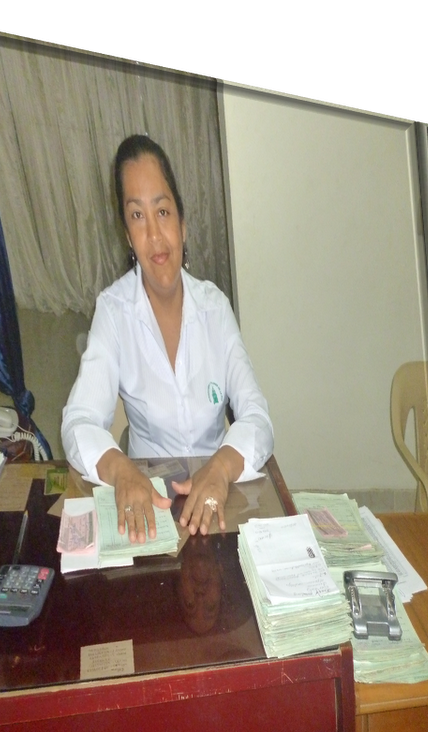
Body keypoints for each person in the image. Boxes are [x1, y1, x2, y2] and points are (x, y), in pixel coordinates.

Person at [62, 135, 273, 545]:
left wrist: (221, 467)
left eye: (162, 211)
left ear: (182, 222)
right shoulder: (113, 310)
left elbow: (258, 418)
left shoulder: (215, 307)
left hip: (218, 500)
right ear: (127, 235)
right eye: (137, 216)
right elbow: (78, 422)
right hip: (148, 505)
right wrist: (122, 471)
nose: (155, 234)